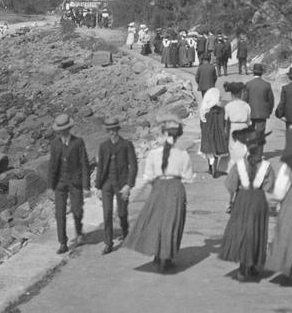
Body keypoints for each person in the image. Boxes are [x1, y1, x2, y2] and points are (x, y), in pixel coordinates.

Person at [123, 114, 193, 272]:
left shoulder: (154, 154)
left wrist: (157, 185)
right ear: (177, 137)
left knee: (156, 222)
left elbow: (148, 176)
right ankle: (166, 257)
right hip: (176, 188)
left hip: (159, 188)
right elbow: (188, 178)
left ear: (164, 134)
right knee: (172, 223)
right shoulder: (183, 154)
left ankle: (157, 255)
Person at [219, 128, 275, 281]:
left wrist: (229, 203)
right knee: (256, 231)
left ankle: (243, 266)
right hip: (258, 201)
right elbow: (269, 188)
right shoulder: (267, 166)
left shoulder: (239, 165)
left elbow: (231, 186)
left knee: (242, 232)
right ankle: (251, 265)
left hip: (242, 200)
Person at [47, 114, 90, 254]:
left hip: (75, 183)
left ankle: (79, 232)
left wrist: (86, 186)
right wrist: (50, 186)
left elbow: (84, 164)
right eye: (60, 130)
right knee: (60, 214)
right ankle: (63, 243)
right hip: (60, 184)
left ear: (69, 128)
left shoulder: (78, 142)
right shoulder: (54, 144)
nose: (63, 132)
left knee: (77, 210)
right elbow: (52, 166)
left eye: (65, 129)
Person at [95, 117, 138, 255]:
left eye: (114, 130)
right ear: (107, 131)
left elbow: (134, 166)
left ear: (117, 130)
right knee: (107, 214)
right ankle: (108, 243)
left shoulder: (127, 145)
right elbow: (100, 167)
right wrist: (97, 187)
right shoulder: (103, 146)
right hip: (107, 184)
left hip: (122, 184)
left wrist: (129, 185)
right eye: (109, 130)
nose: (112, 133)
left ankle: (126, 232)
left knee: (122, 213)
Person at [243, 63, 275, 156]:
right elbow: (271, 100)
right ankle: (259, 154)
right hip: (262, 113)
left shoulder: (248, 85)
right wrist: (269, 111)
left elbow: (244, 100)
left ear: (253, 73)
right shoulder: (267, 85)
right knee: (260, 134)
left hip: (250, 113)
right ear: (262, 73)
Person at [200, 88, 229, 178]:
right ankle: (214, 170)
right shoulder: (220, 110)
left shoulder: (204, 110)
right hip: (217, 133)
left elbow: (201, 124)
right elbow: (224, 122)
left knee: (209, 152)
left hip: (207, 133)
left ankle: (210, 168)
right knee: (216, 151)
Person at [223, 82, 251, 174]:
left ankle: (233, 170)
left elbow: (226, 121)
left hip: (233, 127)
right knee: (244, 148)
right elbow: (249, 120)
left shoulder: (228, 106)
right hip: (244, 127)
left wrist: (226, 131)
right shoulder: (246, 105)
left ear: (232, 94)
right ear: (240, 93)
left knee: (233, 149)